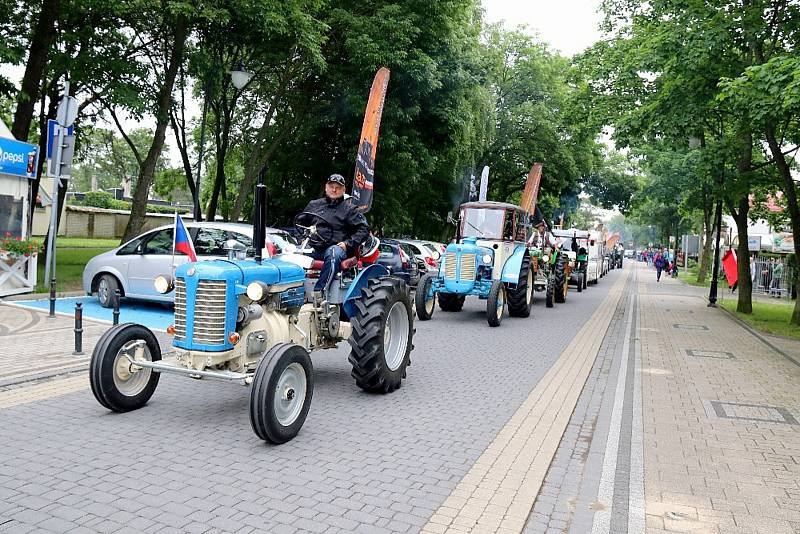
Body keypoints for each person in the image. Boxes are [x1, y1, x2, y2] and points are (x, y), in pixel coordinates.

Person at [296, 174, 370, 297]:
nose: (334, 190)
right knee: (290, 254)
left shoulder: (350, 209)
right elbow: (300, 222)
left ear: (343, 190)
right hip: (313, 247)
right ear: (326, 187)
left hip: (335, 248)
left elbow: (364, 229)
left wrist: (347, 244)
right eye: (331, 186)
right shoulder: (314, 205)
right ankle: (292, 292)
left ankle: (319, 293)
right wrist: (301, 239)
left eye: (338, 187)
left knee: (333, 253)